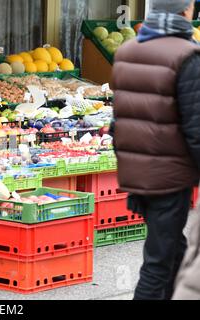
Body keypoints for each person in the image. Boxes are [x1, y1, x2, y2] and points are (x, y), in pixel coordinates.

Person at [112, 0, 200, 300]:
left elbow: (118, 121)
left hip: (136, 173)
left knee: (175, 252)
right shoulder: (187, 56)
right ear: (185, 11)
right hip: (170, 175)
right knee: (158, 264)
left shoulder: (127, 51)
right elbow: (196, 128)